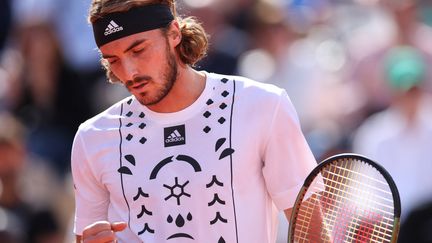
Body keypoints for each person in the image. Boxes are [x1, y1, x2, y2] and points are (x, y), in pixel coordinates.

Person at [71, 1, 318, 242]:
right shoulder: (91, 138)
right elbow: (88, 236)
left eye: (138, 50)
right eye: (113, 59)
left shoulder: (264, 105)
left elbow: (314, 234)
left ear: (174, 33)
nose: (129, 72)